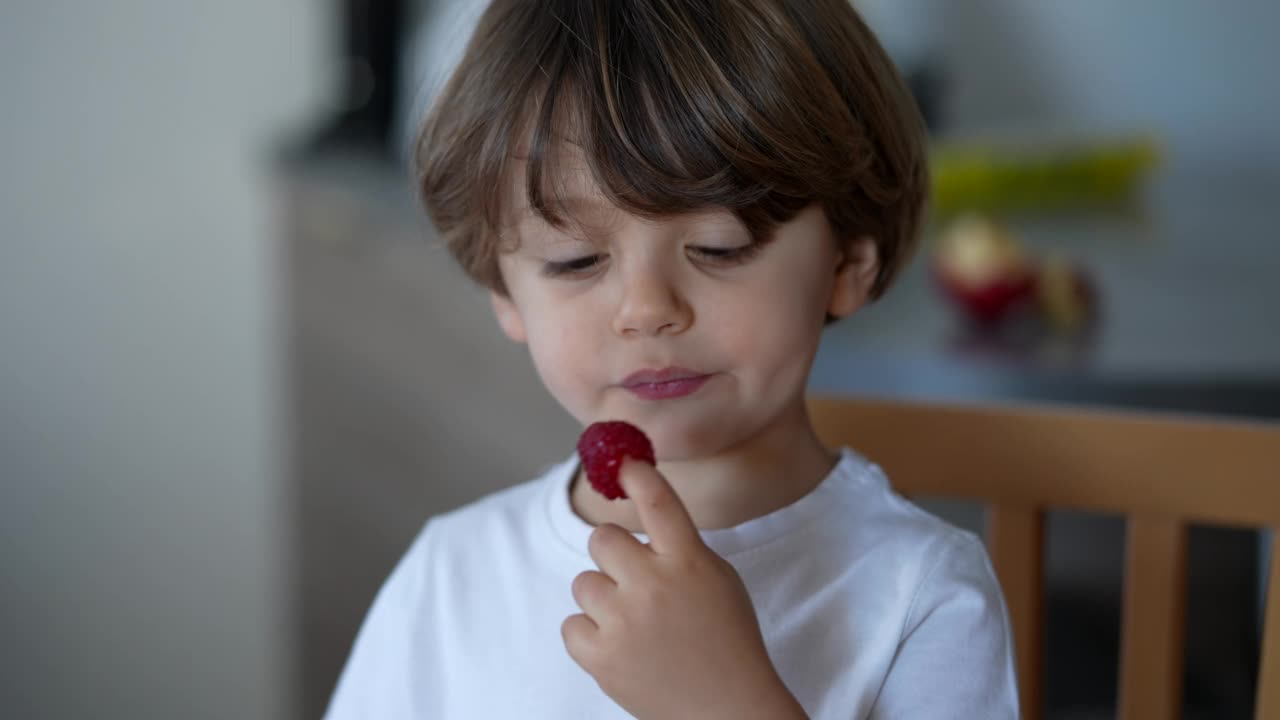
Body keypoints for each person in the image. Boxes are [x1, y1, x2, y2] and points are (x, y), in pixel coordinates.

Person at [326, 1, 1019, 717]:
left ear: (846, 263)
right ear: (504, 291)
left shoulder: (925, 595)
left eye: (718, 248)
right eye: (576, 261)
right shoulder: (451, 575)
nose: (646, 307)